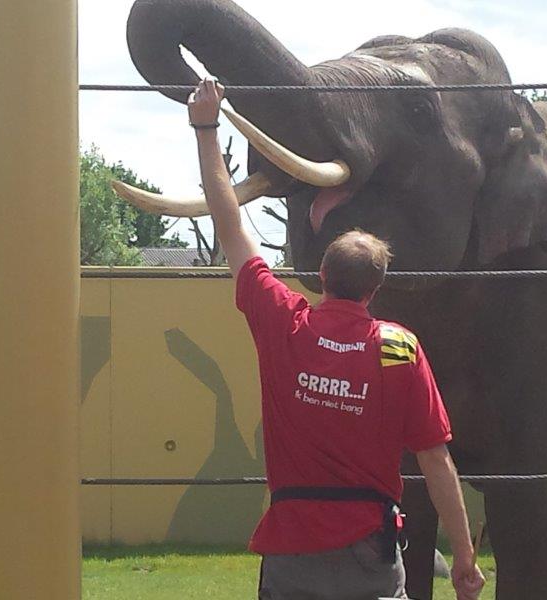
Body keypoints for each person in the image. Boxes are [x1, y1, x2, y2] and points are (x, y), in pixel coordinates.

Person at [188, 78, 485, 600]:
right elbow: (436, 460)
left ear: (321, 276)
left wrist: (206, 127)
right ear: (375, 290)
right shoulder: (399, 349)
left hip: (291, 551)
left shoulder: (285, 320)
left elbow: (229, 222)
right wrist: (463, 553)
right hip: (367, 555)